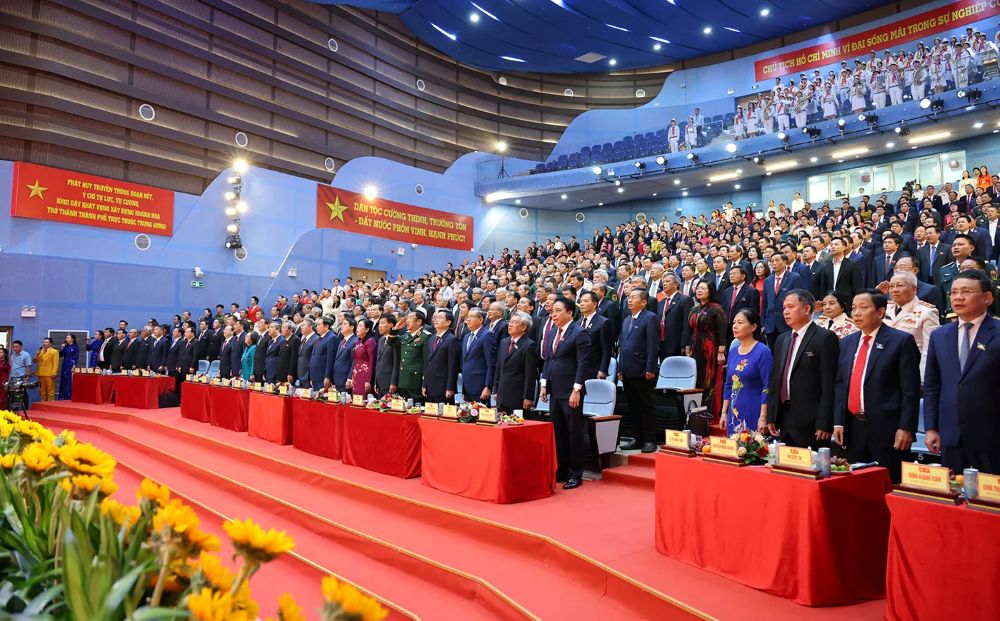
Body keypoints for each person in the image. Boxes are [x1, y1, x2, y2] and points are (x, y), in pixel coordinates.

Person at [833, 290, 921, 483]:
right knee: (854, 486)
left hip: (887, 429)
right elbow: (840, 385)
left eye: (863, 307)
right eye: (854, 308)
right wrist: (838, 421)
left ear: (880, 312)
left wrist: (906, 427)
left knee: (887, 485)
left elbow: (911, 390)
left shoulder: (900, 341)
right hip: (852, 428)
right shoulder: (847, 342)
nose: (856, 313)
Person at [924, 271, 1000, 473]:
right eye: (954, 292)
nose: (958, 297)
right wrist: (931, 428)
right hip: (951, 436)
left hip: (991, 435)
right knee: (953, 490)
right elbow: (932, 385)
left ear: (987, 297)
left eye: (966, 292)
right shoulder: (939, 335)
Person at [766, 290, 839, 449]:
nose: (786, 311)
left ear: (807, 309)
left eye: (791, 307)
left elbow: (829, 383)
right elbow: (775, 380)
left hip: (811, 421)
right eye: (784, 308)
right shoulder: (782, 339)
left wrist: (825, 421)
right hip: (784, 417)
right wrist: (771, 415)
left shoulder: (825, 337)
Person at [539, 297, 591, 489]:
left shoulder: (579, 333)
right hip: (555, 390)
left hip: (571, 391)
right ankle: (562, 470)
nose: (553, 314)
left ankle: (576, 473)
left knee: (574, 432)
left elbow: (583, 363)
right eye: (552, 311)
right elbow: (548, 360)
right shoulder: (553, 331)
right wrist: (544, 384)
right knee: (559, 432)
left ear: (569, 312)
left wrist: (577, 389)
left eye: (558, 310)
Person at [618, 288, 660, 452]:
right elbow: (622, 346)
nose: (630, 300)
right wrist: (620, 368)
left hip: (643, 370)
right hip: (628, 370)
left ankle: (650, 440)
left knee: (646, 406)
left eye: (634, 297)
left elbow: (653, 345)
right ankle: (638, 438)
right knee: (633, 406)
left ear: (643, 302)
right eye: (629, 297)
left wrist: (650, 368)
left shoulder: (650, 318)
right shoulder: (627, 320)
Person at [721, 309, 772, 435]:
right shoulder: (733, 351)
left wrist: (763, 416)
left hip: (754, 410)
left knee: (751, 445)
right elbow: (728, 384)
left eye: (740, 322)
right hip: (734, 412)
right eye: (734, 323)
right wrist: (724, 413)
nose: (735, 326)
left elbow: (767, 386)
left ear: (753, 327)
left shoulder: (763, 352)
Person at [686, 281, 728, 422]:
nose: (699, 290)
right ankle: (694, 415)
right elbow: (689, 331)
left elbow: (723, 332)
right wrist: (687, 349)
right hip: (695, 350)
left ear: (710, 291)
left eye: (703, 288)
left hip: (710, 350)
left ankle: (708, 415)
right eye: (698, 288)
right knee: (696, 380)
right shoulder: (694, 309)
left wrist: (721, 352)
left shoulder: (716, 309)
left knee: (708, 381)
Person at [886, 272, 940, 378]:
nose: (894, 290)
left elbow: (929, 349)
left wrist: (923, 377)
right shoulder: (886, 309)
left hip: (910, 370)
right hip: (885, 369)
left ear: (914, 288)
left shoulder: (927, 312)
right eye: (891, 286)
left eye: (900, 285)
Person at [494, 312, 539, 413]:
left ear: (524, 327)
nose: (510, 325)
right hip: (502, 395)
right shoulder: (504, 342)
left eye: (514, 322)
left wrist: (528, 397)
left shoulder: (529, 345)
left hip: (518, 396)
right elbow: (499, 368)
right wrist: (496, 390)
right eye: (510, 322)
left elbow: (530, 374)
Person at [762, 253, 802, 348]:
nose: (774, 263)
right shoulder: (768, 280)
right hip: (770, 324)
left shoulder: (794, 277)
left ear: (784, 262)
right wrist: (763, 323)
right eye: (772, 261)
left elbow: (799, 300)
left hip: (787, 323)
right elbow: (765, 304)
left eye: (777, 260)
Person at [423, 310, 460, 404]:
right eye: (435, 317)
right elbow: (427, 363)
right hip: (430, 385)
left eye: (440, 318)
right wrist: (424, 384)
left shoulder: (452, 339)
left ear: (448, 322)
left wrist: (450, 387)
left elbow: (453, 366)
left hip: (443, 387)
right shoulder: (431, 338)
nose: (436, 320)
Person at [459, 307, 496, 403]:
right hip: (467, 386)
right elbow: (465, 362)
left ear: (480, 320)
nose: (468, 319)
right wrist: (463, 389)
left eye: (471, 316)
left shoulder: (487, 335)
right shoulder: (466, 336)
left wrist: (488, 386)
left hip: (480, 385)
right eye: (468, 317)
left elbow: (491, 363)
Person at [719, 266, 759, 343]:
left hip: (743, 329)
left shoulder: (751, 291)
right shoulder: (727, 291)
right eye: (730, 274)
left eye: (734, 273)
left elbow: (753, 313)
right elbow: (724, 309)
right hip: (728, 328)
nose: (732, 276)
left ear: (743, 276)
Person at [657, 274, 693, 360]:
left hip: (677, 344)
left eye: (667, 281)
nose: (664, 284)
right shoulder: (661, 302)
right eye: (663, 282)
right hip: (661, 344)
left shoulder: (685, 300)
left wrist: (685, 344)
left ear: (676, 284)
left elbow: (687, 324)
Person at [398, 311, 430, 400]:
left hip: (416, 381)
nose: (407, 320)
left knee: (416, 406)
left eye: (410, 318)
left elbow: (426, 361)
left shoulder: (425, 336)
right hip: (404, 379)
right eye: (407, 318)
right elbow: (391, 342)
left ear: (419, 321)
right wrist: (396, 329)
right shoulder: (406, 335)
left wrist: (424, 382)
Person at [348, 318, 377, 396]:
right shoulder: (358, 341)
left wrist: (368, 380)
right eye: (357, 326)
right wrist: (350, 377)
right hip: (356, 373)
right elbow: (354, 360)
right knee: (355, 397)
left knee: (363, 397)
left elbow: (372, 362)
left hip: (365, 374)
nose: (357, 328)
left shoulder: (370, 341)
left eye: (360, 326)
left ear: (367, 329)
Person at [373, 314, 400, 397]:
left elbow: (396, 363)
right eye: (379, 323)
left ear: (391, 325)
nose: (379, 326)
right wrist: (376, 381)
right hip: (380, 381)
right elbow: (378, 361)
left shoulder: (396, 340)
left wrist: (393, 382)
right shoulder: (381, 339)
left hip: (389, 382)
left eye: (382, 323)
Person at [331, 317, 357, 392]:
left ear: (352, 327)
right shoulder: (342, 341)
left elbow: (354, 362)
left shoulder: (355, 341)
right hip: (337, 378)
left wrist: (350, 378)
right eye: (342, 324)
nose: (342, 326)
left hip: (346, 379)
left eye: (345, 324)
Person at [57, 334, 79, 400]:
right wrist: (61, 348)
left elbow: (76, 357)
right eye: (66, 338)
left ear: (72, 339)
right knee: (64, 380)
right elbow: (60, 355)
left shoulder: (75, 347)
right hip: (65, 364)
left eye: (68, 338)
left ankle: (69, 397)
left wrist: (74, 366)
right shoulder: (65, 347)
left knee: (69, 380)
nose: (66, 339)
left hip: (71, 364)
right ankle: (62, 397)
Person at [295, 318, 317, 388]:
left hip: (308, 375)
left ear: (310, 327)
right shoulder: (304, 339)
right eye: (301, 325)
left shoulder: (316, 339)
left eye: (303, 325)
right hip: (300, 374)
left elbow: (314, 359)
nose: (301, 327)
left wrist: (311, 376)